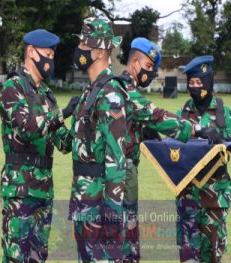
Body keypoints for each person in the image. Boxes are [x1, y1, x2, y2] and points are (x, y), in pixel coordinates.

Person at [114, 38, 222, 263]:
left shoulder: (115, 88)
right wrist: (198, 129)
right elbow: (157, 116)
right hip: (119, 177)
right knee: (125, 245)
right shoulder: (124, 91)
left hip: (119, 177)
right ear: (135, 63)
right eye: (149, 67)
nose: (151, 73)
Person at [0, 29, 79, 263]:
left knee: (38, 257)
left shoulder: (47, 94)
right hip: (20, 189)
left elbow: (64, 143)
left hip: (44, 188)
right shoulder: (13, 87)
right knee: (16, 257)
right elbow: (26, 128)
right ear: (31, 52)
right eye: (47, 54)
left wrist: (81, 118)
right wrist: (62, 113)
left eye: (53, 56)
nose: (50, 61)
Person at [175, 55, 231, 263]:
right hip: (187, 199)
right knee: (188, 256)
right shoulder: (181, 114)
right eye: (191, 83)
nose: (195, 87)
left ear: (209, 82)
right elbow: (169, 150)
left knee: (212, 257)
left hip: (215, 200)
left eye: (199, 82)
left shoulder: (224, 114)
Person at [68, 17, 130, 262]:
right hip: (85, 202)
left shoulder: (110, 95)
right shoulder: (91, 92)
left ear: (99, 50)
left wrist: (112, 216)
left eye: (84, 44)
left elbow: (116, 160)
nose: (79, 50)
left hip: (100, 208)